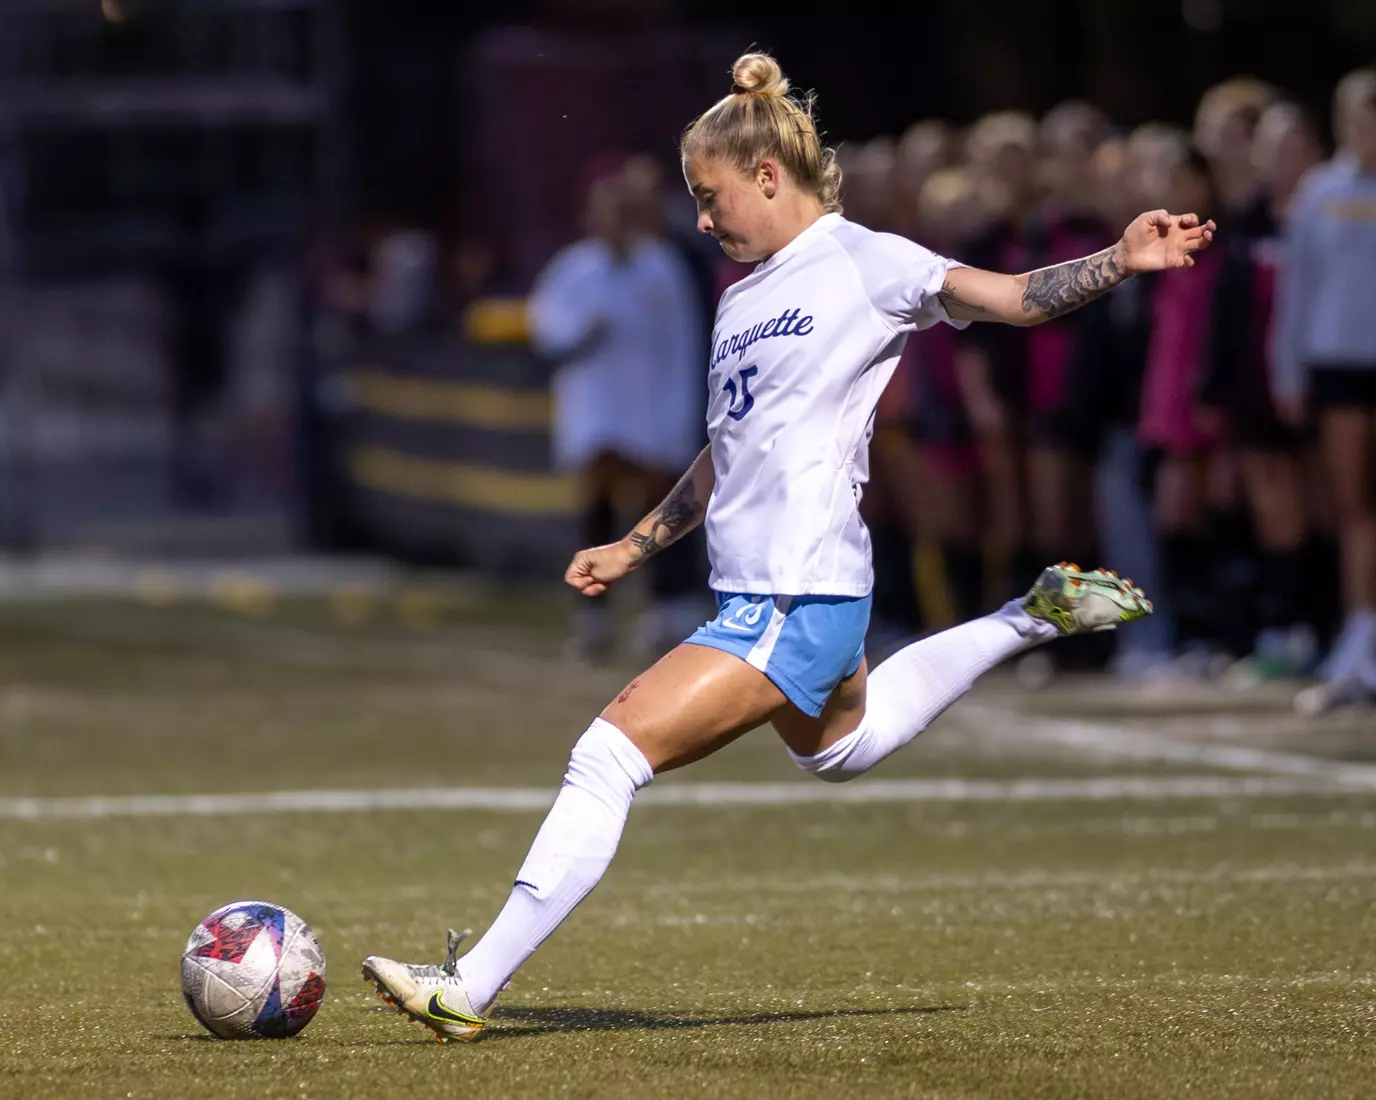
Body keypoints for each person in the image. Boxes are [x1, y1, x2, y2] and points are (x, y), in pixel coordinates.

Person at [361, 52, 1213, 1041]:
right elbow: (726, 451)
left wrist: (1118, 258)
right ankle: (1031, 615)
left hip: (794, 591)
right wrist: (633, 546)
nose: (700, 220)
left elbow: (1015, 296)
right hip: (780, 593)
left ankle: (467, 986)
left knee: (606, 754)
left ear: (768, 175)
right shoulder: (739, 299)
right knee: (843, 748)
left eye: (708, 195)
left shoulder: (864, 260)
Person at [526, 153, 706, 662]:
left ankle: (666, 606)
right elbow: (547, 328)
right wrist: (580, 333)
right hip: (597, 412)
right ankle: (594, 613)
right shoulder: (575, 270)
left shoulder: (660, 268)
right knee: (598, 508)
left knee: (657, 512)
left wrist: (679, 414)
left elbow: (680, 344)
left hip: (650, 412)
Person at [1272, 68, 1376, 710]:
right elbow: (1298, 288)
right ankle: (1359, 638)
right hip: (1338, 365)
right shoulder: (1319, 190)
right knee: (1354, 508)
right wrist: (1287, 370)